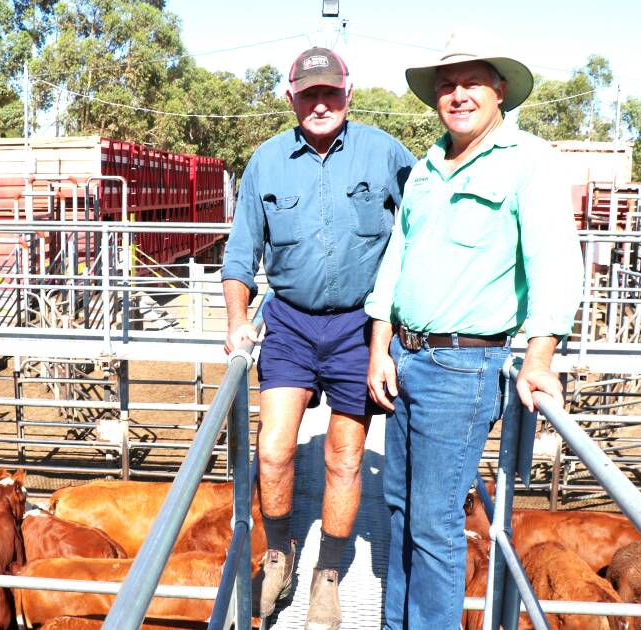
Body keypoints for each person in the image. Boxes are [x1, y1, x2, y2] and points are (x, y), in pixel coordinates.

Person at [364, 35, 584, 629]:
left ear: (499, 91)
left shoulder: (529, 161)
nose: (456, 95)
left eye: (470, 83)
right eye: (445, 85)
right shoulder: (428, 165)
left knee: (435, 523)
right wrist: (379, 346)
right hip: (405, 358)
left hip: (463, 367)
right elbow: (397, 257)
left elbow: (555, 266)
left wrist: (539, 358)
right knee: (400, 510)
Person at [221, 46, 415, 627]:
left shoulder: (384, 153)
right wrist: (236, 321)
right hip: (290, 323)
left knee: (344, 456)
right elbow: (238, 254)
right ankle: (280, 552)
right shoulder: (267, 162)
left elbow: (425, 222)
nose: (321, 103)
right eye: (309, 94)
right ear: (292, 99)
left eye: (331, 92)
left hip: (361, 326)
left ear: (348, 94)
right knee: (274, 448)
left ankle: (327, 575)